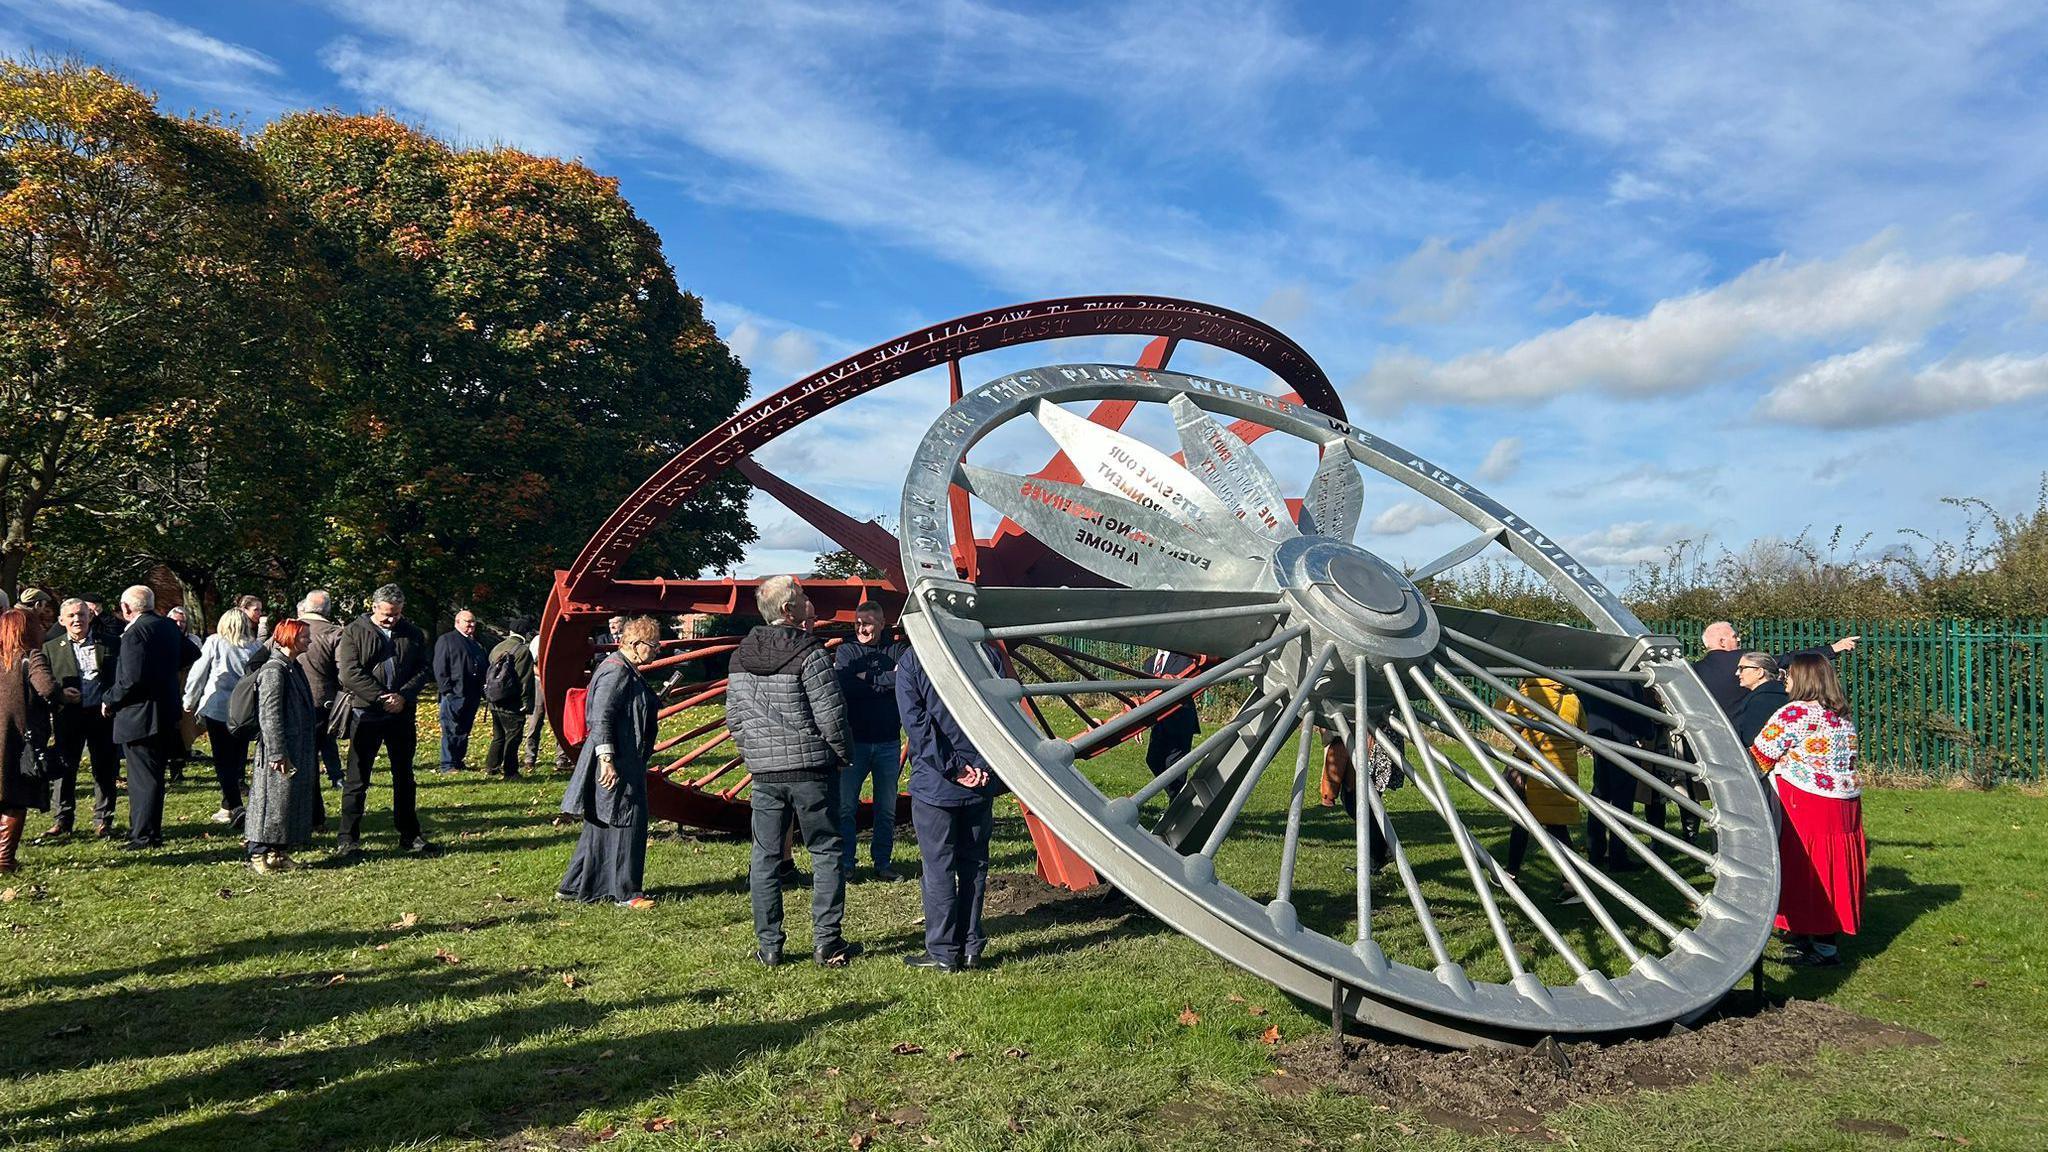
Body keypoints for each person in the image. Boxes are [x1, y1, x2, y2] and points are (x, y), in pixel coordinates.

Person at [726, 575, 859, 968]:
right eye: (801, 596)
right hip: (811, 770)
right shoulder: (811, 653)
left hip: (765, 774)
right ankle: (827, 942)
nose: (807, 600)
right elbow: (831, 715)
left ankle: (769, 947)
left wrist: (753, 754)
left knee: (765, 858)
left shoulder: (739, 656)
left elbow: (734, 717)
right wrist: (842, 754)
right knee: (825, 850)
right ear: (789, 610)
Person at [897, 641, 1006, 972]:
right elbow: (1002, 714)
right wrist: (983, 767)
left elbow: (917, 726)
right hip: (980, 780)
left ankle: (943, 950)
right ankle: (971, 946)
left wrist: (954, 768)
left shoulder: (915, 659)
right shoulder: (986, 654)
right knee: (974, 864)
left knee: (938, 866)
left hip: (937, 783)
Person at [1751, 653, 1865, 967]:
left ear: (1802, 678)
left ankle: (1817, 946)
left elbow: (1759, 757)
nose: (1784, 680)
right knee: (1833, 869)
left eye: (1789, 675)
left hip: (1806, 802)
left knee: (1807, 868)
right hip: (1844, 802)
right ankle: (1814, 938)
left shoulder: (1794, 714)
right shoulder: (1840, 714)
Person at [558, 616, 662, 906]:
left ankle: (575, 885)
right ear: (636, 644)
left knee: (600, 823)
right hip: (616, 760)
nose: (657, 650)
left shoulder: (626, 669)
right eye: (654, 645)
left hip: (623, 758)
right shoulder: (616, 672)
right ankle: (626, 893)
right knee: (625, 821)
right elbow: (600, 717)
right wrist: (607, 760)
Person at [333, 584, 435, 858]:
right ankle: (348, 838)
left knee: (405, 776)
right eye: (388, 614)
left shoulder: (411, 633)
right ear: (375, 607)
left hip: (401, 714)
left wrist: (402, 696)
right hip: (366, 713)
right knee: (357, 779)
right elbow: (350, 672)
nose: (393, 619)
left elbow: (423, 668)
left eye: (397, 614)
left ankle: (410, 834)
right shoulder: (355, 631)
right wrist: (381, 698)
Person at [101, 586, 196, 850]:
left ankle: (143, 835)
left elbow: (130, 679)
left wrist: (110, 699)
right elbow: (191, 652)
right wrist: (164, 672)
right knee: (153, 775)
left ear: (126, 608)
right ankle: (148, 831)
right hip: (165, 709)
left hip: (139, 714)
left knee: (142, 778)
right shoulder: (167, 626)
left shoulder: (135, 632)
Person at [833, 600, 907, 881]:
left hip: (888, 740)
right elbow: (846, 685)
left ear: (881, 624)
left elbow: (904, 680)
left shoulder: (897, 649)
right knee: (846, 807)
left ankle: (882, 863)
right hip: (855, 741)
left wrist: (868, 678)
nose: (861, 628)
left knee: (886, 808)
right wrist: (885, 680)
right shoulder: (847, 650)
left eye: (867, 623)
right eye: (857, 623)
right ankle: (848, 864)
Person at [39, 599, 122, 840]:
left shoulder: (110, 644)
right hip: (68, 716)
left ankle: (103, 819)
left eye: (82, 615)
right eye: (72, 616)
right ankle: (62, 819)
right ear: (62, 620)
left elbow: (119, 677)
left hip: (101, 715)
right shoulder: (51, 647)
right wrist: (60, 696)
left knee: (104, 768)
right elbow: (46, 683)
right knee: (65, 768)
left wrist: (111, 699)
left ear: (90, 617)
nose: (78, 620)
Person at [245, 619, 321, 873]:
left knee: (285, 804)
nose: (309, 641)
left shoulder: (292, 667)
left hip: (297, 746)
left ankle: (278, 852)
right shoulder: (274, 670)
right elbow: (270, 714)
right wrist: (277, 751)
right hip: (279, 749)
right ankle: (257, 854)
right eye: (304, 637)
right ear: (289, 637)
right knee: (268, 804)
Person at [1499, 677, 1584, 903]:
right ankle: (1571, 882)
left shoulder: (1525, 696)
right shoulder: (1572, 697)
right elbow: (1580, 736)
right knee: (1556, 826)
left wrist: (1505, 699)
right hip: (1563, 769)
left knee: (1523, 820)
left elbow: (1505, 723)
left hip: (1535, 769)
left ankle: (1512, 872)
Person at [184, 609, 261, 825]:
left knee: (222, 759)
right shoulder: (256, 647)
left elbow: (199, 672)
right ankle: (228, 805)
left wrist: (189, 700)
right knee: (238, 757)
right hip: (245, 709)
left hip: (219, 707)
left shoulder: (215, 642)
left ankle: (234, 806)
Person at [1692, 621, 1857, 717]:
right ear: (1722, 642)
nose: (1739, 639)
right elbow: (1788, 659)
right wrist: (1833, 648)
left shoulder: (1695, 671)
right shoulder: (1747, 659)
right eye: (1734, 636)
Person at [0, 608, 60, 872]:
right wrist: (64, 696)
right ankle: (4, 860)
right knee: (14, 798)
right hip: (17, 741)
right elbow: (46, 688)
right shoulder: (31, 656)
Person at [295, 590, 346, 786]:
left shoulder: (288, 629)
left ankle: (307, 777)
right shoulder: (334, 633)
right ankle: (335, 776)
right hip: (323, 696)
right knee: (326, 739)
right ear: (327, 609)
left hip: (292, 695)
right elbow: (342, 670)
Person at [433, 609, 487, 773]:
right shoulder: (447, 640)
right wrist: (447, 690)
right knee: (450, 729)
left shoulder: (476, 643)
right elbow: (440, 666)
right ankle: (447, 764)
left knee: (464, 729)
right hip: (454, 693)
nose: (471, 625)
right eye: (467, 621)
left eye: (473, 622)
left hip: (472, 694)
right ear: (457, 622)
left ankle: (458, 760)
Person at [1142, 649, 1200, 800]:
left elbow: (1192, 685)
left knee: (1175, 766)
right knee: (1153, 760)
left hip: (1179, 722)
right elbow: (1146, 697)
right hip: (1159, 722)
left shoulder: (1185, 659)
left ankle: (1177, 805)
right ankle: (1179, 799)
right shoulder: (1149, 663)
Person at [483, 616, 537, 779]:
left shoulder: (497, 647)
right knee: (513, 737)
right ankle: (510, 770)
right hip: (512, 702)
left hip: (495, 699)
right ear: (525, 633)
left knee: (498, 736)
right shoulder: (522, 650)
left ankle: (491, 766)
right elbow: (525, 679)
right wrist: (526, 703)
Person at [1730, 653, 1790, 750]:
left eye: (1742, 668)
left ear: (1759, 672)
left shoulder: (1761, 701)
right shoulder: (1779, 693)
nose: (1737, 673)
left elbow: (1750, 739)